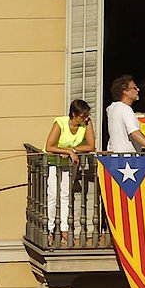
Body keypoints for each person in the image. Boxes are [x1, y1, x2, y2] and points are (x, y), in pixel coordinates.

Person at [44, 100, 95, 235]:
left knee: (65, 194)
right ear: (74, 114)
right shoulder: (60, 123)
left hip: (69, 163)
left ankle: (64, 229)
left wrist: (72, 150)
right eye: (82, 116)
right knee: (53, 195)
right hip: (53, 162)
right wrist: (68, 152)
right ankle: (49, 228)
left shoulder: (87, 123)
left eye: (86, 115)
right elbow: (49, 146)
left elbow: (90, 146)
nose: (85, 118)